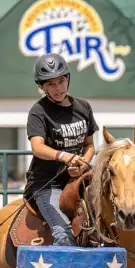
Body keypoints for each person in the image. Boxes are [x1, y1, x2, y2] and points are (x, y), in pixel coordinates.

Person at [25, 52, 97, 246]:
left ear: (68, 79)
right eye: (50, 84)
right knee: (64, 235)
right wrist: (65, 157)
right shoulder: (38, 111)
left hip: (79, 179)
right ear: (42, 86)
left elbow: (89, 145)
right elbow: (37, 147)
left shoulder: (83, 107)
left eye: (61, 81)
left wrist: (83, 164)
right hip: (48, 184)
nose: (57, 88)